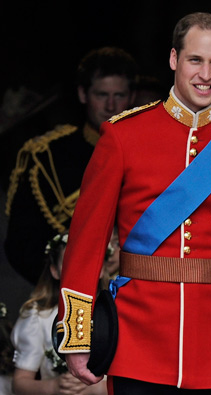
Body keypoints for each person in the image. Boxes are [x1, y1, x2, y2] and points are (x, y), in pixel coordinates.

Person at [55, 12, 211, 394]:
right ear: (174, 59)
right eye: (196, 60)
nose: (206, 74)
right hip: (137, 341)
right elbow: (86, 242)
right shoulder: (122, 135)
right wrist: (77, 336)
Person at [4, 46, 138, 285]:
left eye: (118, 96)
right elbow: (21, 243)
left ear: (131, 98)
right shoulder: (48, 157)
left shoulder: (150, 153)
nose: (110, 106)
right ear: (83, 94)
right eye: (101, 95)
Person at [10, 233, 107, 395]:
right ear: (55, 271)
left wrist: (99, 389)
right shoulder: (39, 316)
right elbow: (19, 383)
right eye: (70, 262)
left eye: (87, 261)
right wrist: (53, 387)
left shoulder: (117, 313)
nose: (80, 269)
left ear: (102, 268)